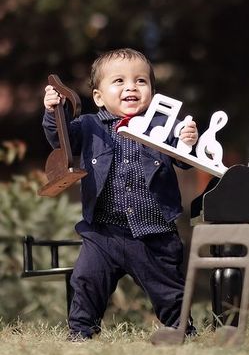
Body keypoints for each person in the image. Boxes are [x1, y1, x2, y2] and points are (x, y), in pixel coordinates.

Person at [43, 48, 198, 339]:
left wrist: (188, 139)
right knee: (87, 280)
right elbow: (60, 140)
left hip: (154, 233)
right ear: (99, 96)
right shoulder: (89, 126)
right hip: (103, 232)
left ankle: (182, 331)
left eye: (141, 81)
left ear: (152, 90)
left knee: (168, 288)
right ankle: (80, 332)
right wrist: (55, 112)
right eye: (119, 81)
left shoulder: (163, 126)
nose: (131, 87)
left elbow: (183, 158)